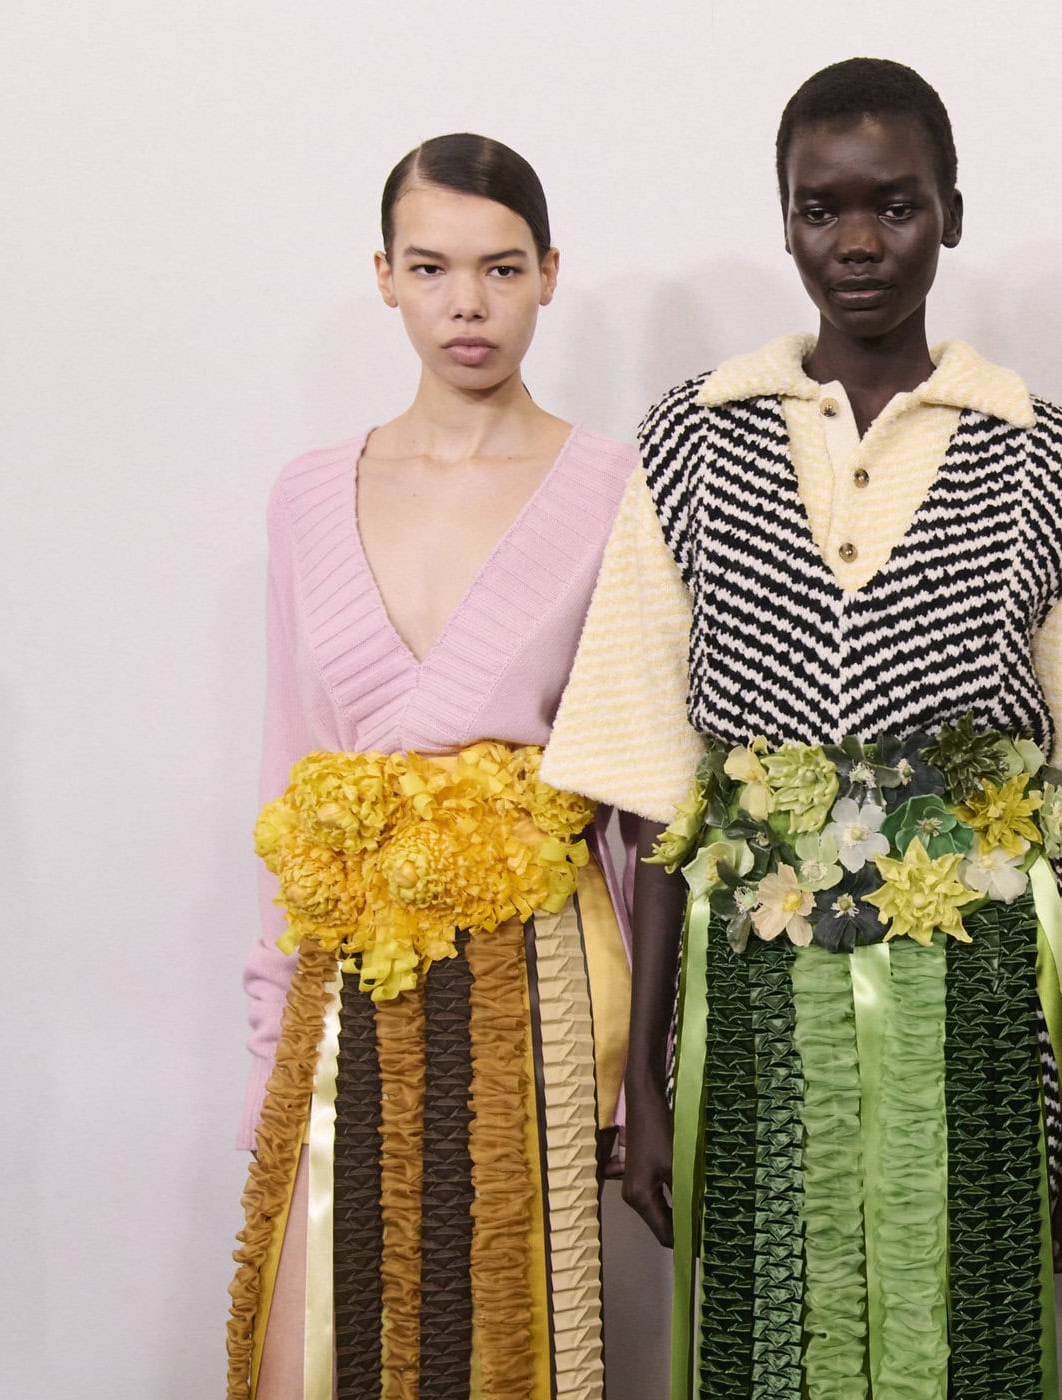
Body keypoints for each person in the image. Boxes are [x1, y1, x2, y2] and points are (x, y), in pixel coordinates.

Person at [541, 57, 1062, 1399]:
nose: (860, 243)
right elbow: (655, 796)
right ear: (783, 223)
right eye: (821, 210)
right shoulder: (691, 442)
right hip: (752, 1010)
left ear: (952, 212)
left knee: (971, 1333)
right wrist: (644, 1080)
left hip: (985, 1014)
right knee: (772, 1339)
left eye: (895, 204)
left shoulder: (1046, 454)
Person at [226, 133, 636, 1400]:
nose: (468, 303)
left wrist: (637, 1067)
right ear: (384, 275)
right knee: (318, 1340)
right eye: (432, 267)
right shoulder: (308, 493)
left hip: (537, 975)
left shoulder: (617, 486)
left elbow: (635, 788)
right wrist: (274, 1026)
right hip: (346, 966)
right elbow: (291, 768)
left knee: (505, 1331)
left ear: (551, 273)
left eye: (501, 268)